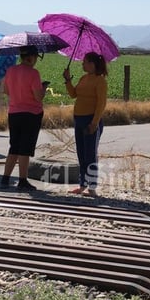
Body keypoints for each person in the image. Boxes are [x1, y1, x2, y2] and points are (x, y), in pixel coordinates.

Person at [0, 46, 46, 191]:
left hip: (14, 112)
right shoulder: (34, 73)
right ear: (31, 57)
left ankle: (5, 178)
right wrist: (43, 88)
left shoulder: (11, 71)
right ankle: (22, 180)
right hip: (31, 114)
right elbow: (38, 97)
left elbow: (6, 91)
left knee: (14, 146)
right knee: (25, 149)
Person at [63, 52, 108, 197]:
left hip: (91, 121)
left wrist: (94, 123)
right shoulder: (84, 78)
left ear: (93, 64)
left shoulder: (100, 81)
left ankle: (92, 187)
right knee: (81, 154)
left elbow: (101, 104)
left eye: (85, 62)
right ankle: (82, 185)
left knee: (90, 154)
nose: (83, 64)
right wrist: (68, 80)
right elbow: (73, 94)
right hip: (79, 119)